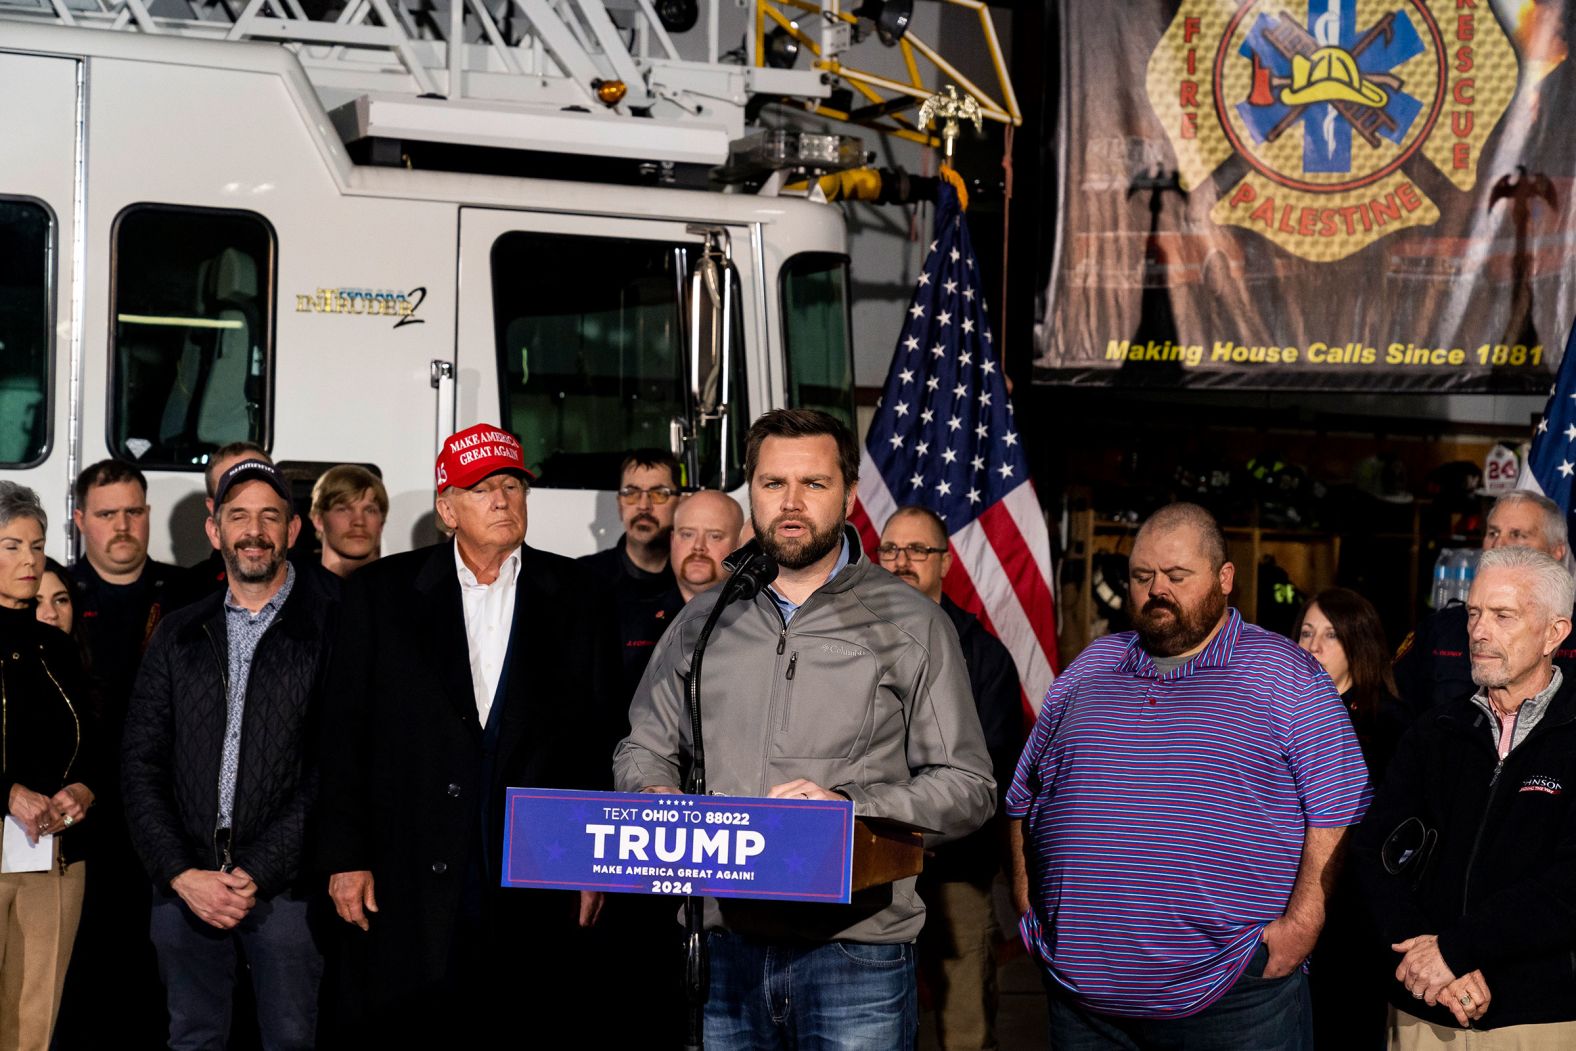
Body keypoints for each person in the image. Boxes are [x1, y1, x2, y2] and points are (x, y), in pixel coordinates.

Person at [615, 408, 996, 1051]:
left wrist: (851, 809)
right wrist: (655, 799)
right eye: (772, 484)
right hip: (721, 944)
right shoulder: (704, 621)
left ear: (848, 495)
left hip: (856, 954)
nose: (790, 503)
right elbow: (642, 747)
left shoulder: (911, 622)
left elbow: (968, 786)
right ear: (751, 492)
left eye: (813, 485)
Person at [1008, 502, 1372, 1050]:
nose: (1157, 589)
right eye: (1141, 576)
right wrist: (1026, 904)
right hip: (1083, 999)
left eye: (1177, 576)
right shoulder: (1089, 668)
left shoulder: (1283, 674)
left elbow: (1340, 806)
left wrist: (1303, 924)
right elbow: (1023, 796)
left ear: (1224, 579)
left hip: (1232, 996)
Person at [315, 423, 621, 1042]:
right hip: (407, 875)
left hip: (535, 873)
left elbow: (601, 738)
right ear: (447, 508)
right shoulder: (381, 594)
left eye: (512, 486)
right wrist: (346, 857)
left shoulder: (579, 594)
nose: (503, 500)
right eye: (482, 489)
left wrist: (596, 862)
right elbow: (342, 736)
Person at [122, 460, 338, 1051]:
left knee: (291, 1040)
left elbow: (335, 770)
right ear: (214, 530)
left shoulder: (332, 629)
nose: (254, 530)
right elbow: (140, 763)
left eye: (270, 516)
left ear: (294, 531)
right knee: (192, 1039)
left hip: (286, 892)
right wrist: (180, 874)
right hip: (184, 886)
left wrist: (256, 872)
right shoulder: (178, 633)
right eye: (238, 516)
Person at [1355, 546, 1576, 1047]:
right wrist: (1428, 962)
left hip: (1538, 1019)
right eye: (1474, 612)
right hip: (1422, 1008)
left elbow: (1567, 885)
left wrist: (1455, 950)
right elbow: (1375, 854)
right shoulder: (1436, 730)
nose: (1477, 631)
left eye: (1503, 615)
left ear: (1554, 633)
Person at [880, 506, 1023, 1051]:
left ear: (945, 561)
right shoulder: (848, 639)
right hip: (867, 868)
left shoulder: (984, 656)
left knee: (965, 1028)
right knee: (868, 1025)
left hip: (954, 868)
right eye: (891, 549)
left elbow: (992, 768)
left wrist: (920, 828)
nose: (902, 562)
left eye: (918, 551)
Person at [0, 483, 97, 1051]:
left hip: (53, 854)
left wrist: (84, 788)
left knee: (35, 1021)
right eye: (11, 546)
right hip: (10, 830)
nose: (29, 561)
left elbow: (91, 737)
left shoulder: (55, 645)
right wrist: (7, 791)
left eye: (36, 546)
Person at [1294, 588, 1406, 1051]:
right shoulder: (1278, 713)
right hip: (1278, 908)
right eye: (1305, 632)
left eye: (1331, 635)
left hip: (1352, 919)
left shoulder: (1389, 724)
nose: (1312, 646)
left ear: (1358, 645)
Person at [1394, 491, 1575, 721]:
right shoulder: (1440, 629)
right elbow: (1395, 712)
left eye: (1518, 534)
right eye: (1492, 532)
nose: (1499, 544)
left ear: (1556, 551)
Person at [580, 450, 683, 696]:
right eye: (631, 493)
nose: (643, 506)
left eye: (659, 494)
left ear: (681, 502)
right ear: (619, 503)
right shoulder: (582, 579)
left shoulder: (696, 582)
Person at [185, 441, 273, 597]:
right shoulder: (184, 593)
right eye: (230, 490)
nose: (254, 530)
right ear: (212, 508)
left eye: (258, 484)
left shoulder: (318, 589)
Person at [309, 465, 388, 578]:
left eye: (370, 510)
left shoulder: (406, 592)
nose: (359, 521)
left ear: (381, 522)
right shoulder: (294, 590)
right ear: (319, 520)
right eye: (343, 510)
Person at [671, 489, 745, 603]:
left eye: (715, 536)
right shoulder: (636, 614)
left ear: (739, 545)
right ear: (672, 540)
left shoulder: (766, 617)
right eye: (687, 534)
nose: (698, 546)